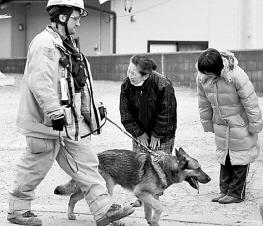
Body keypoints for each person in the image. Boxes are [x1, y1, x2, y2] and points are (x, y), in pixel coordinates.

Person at [7, 1, 134, 225]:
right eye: (76, 18)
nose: (78, 22)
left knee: (87, 164)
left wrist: (93, 112)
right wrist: (55, 113)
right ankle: (17, 210)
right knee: (34, 166)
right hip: (46, 124)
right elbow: (41, 82)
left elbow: (76, 85)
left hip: (67, 125)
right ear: (63, 17)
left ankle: (104, 210)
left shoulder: (65, 45)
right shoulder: (45, 44)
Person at [196, 48, 263, 204]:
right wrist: (207, 123)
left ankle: (236, 193)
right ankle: (224, 190)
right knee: (224, 158)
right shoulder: (203, 77)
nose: (207, 76)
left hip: (240, 123)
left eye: (210, 73)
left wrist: (255, 125)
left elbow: (251, 102)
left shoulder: (237, 75)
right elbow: (203, 102)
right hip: (220, 123)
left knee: (240, 157)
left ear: (218, 69)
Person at [119, 55, 177, 206]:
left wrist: (157, 134)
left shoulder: (163, 85)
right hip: (140, 132)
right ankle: (141, 197)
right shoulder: (126, 85)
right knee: (139, 165)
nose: (129, 75)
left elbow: (167, 113)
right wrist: (138, 133)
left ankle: (154, 199)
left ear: (145, 75)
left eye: (133, 73)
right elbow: (126, 113)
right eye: (128, 71)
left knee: (158, 165)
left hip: (162, 133)